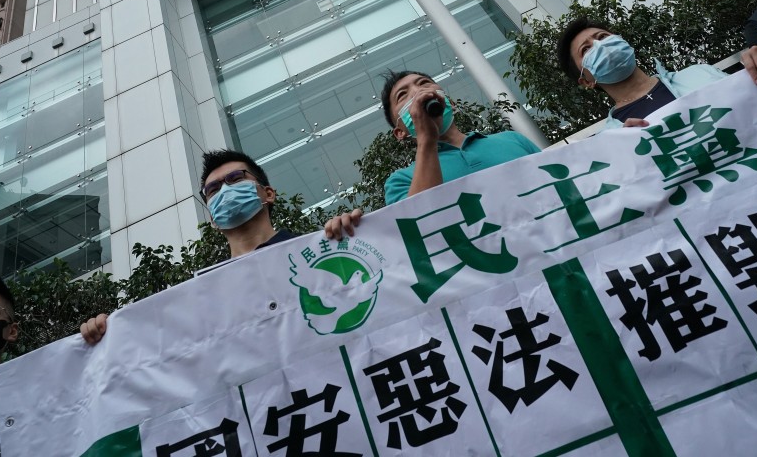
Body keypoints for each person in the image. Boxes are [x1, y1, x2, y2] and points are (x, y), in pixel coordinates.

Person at [80, 149, 295, 344]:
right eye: (213, 190)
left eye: (236, 178)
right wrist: (112, 335)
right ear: (212, 218)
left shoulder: (315, 252)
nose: (224, 191)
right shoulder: (202, 294)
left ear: (268, 194)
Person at [323, 70, 541, 240]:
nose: (418, 92)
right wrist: (427, 139)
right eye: (402, 95)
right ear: (400, 132)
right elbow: (421, 230)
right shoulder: (401, 181)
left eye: (424, 83)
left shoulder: (512, 140)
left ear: (450, 102)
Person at [556, 17, 727, 129]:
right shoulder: (612, 139)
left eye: (602, 37)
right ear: (586, 81)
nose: (600, 45)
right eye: (586, 49)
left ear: (621, 41)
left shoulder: (701, 74)